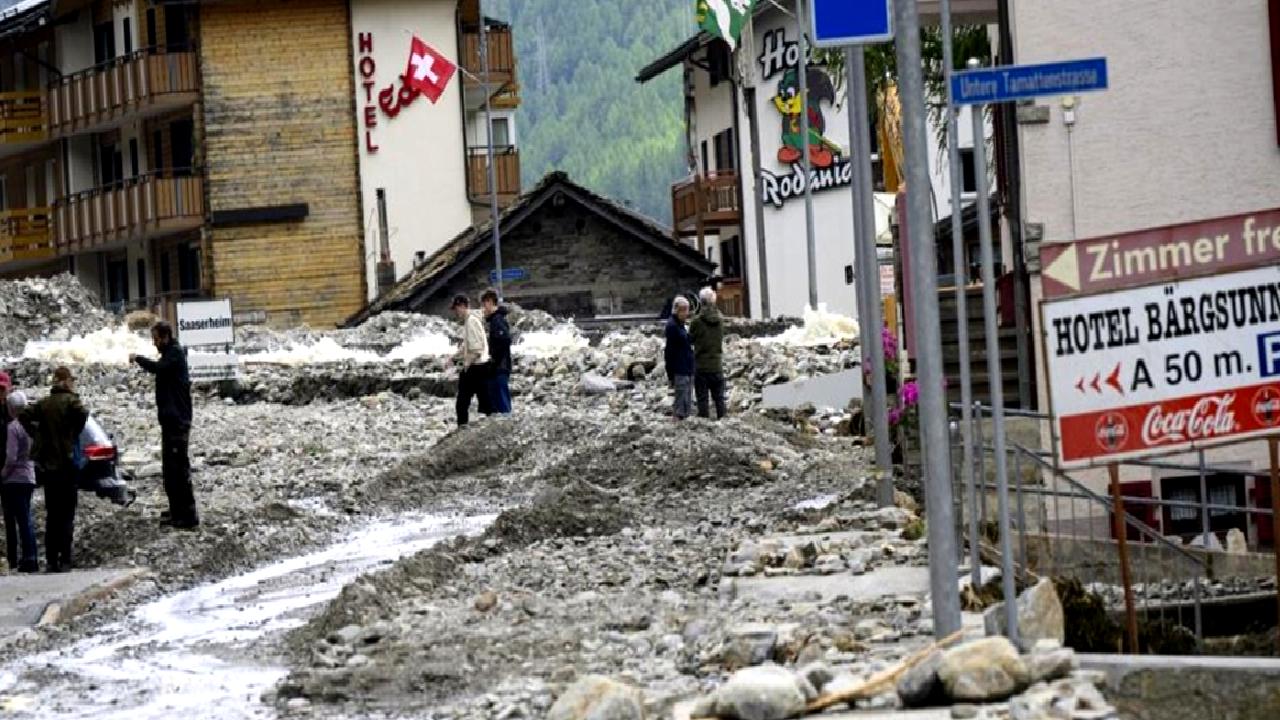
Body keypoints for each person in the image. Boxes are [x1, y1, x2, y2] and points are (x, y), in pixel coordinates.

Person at [130, 321, 199, 530]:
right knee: (170, 471)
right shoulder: (170, 354)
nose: (154, 343)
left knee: (178, 469)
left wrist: (138, 359)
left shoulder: (175, 355)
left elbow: (159, 368)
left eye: (156, 339)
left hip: (177, 422)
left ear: (166, 337)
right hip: (170, 421)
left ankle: (187, 516)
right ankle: (176, 510)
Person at [21, 367, 87, 572]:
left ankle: (51, 560)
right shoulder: (71, 401)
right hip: (67, 466)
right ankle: (65, 559)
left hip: (49, 467)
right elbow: (83, 413)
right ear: (65, 381)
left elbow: (23, 415)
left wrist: (36, 433)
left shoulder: (44, 404)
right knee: (67, 514)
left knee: (53, 514)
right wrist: (73, 432)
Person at [2, 392, 38, 573]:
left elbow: (11, 457)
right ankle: (31, 556)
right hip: (29, 475)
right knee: (26, 517)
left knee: (19, 519)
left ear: (10, 408)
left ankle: (24, 557)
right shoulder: (32, 426)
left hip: (14, 478)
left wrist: (3, 474)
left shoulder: (13, 428)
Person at [452, 294, 491, 426]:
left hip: (476, 366)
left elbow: (477, 348)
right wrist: (453, 358)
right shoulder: (471, 320)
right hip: (480, 366)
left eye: (456, 309)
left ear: (462, 306)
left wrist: (467, 364)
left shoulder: (471, 321)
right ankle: (490, 423)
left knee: (462, 403)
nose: (456, 313)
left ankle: (462, 427)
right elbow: (467, 344)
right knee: (484, 400)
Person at [689, 287, 728, 420]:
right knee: (719, 400)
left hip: (701, 366)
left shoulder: (696, 322)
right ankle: (724, 425)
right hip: (717, 364)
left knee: (702, 400)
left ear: (701, 301)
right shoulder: (720, 320)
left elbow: (690, 339)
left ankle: (704, 428)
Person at [481, 288, 513, 415]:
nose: (483, 309)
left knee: (501, 400)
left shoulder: (497, 320)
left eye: (484, 305)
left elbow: (504, 340)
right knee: (496, 397)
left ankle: (507, 422)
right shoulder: (495, 320)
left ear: (489, 302)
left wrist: (493, 358)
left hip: (500, 366)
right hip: (498, 366)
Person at [665, 296, 695, 420]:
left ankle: (684, 419)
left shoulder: (680, 324)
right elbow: (670, 350)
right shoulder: (673, 326)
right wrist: (670, 372)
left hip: (686, 366)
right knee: (681, 399)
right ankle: (679, 420)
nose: (686, 314)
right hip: (680, 367)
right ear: (678, 310)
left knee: (687, 398)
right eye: (684, 310)